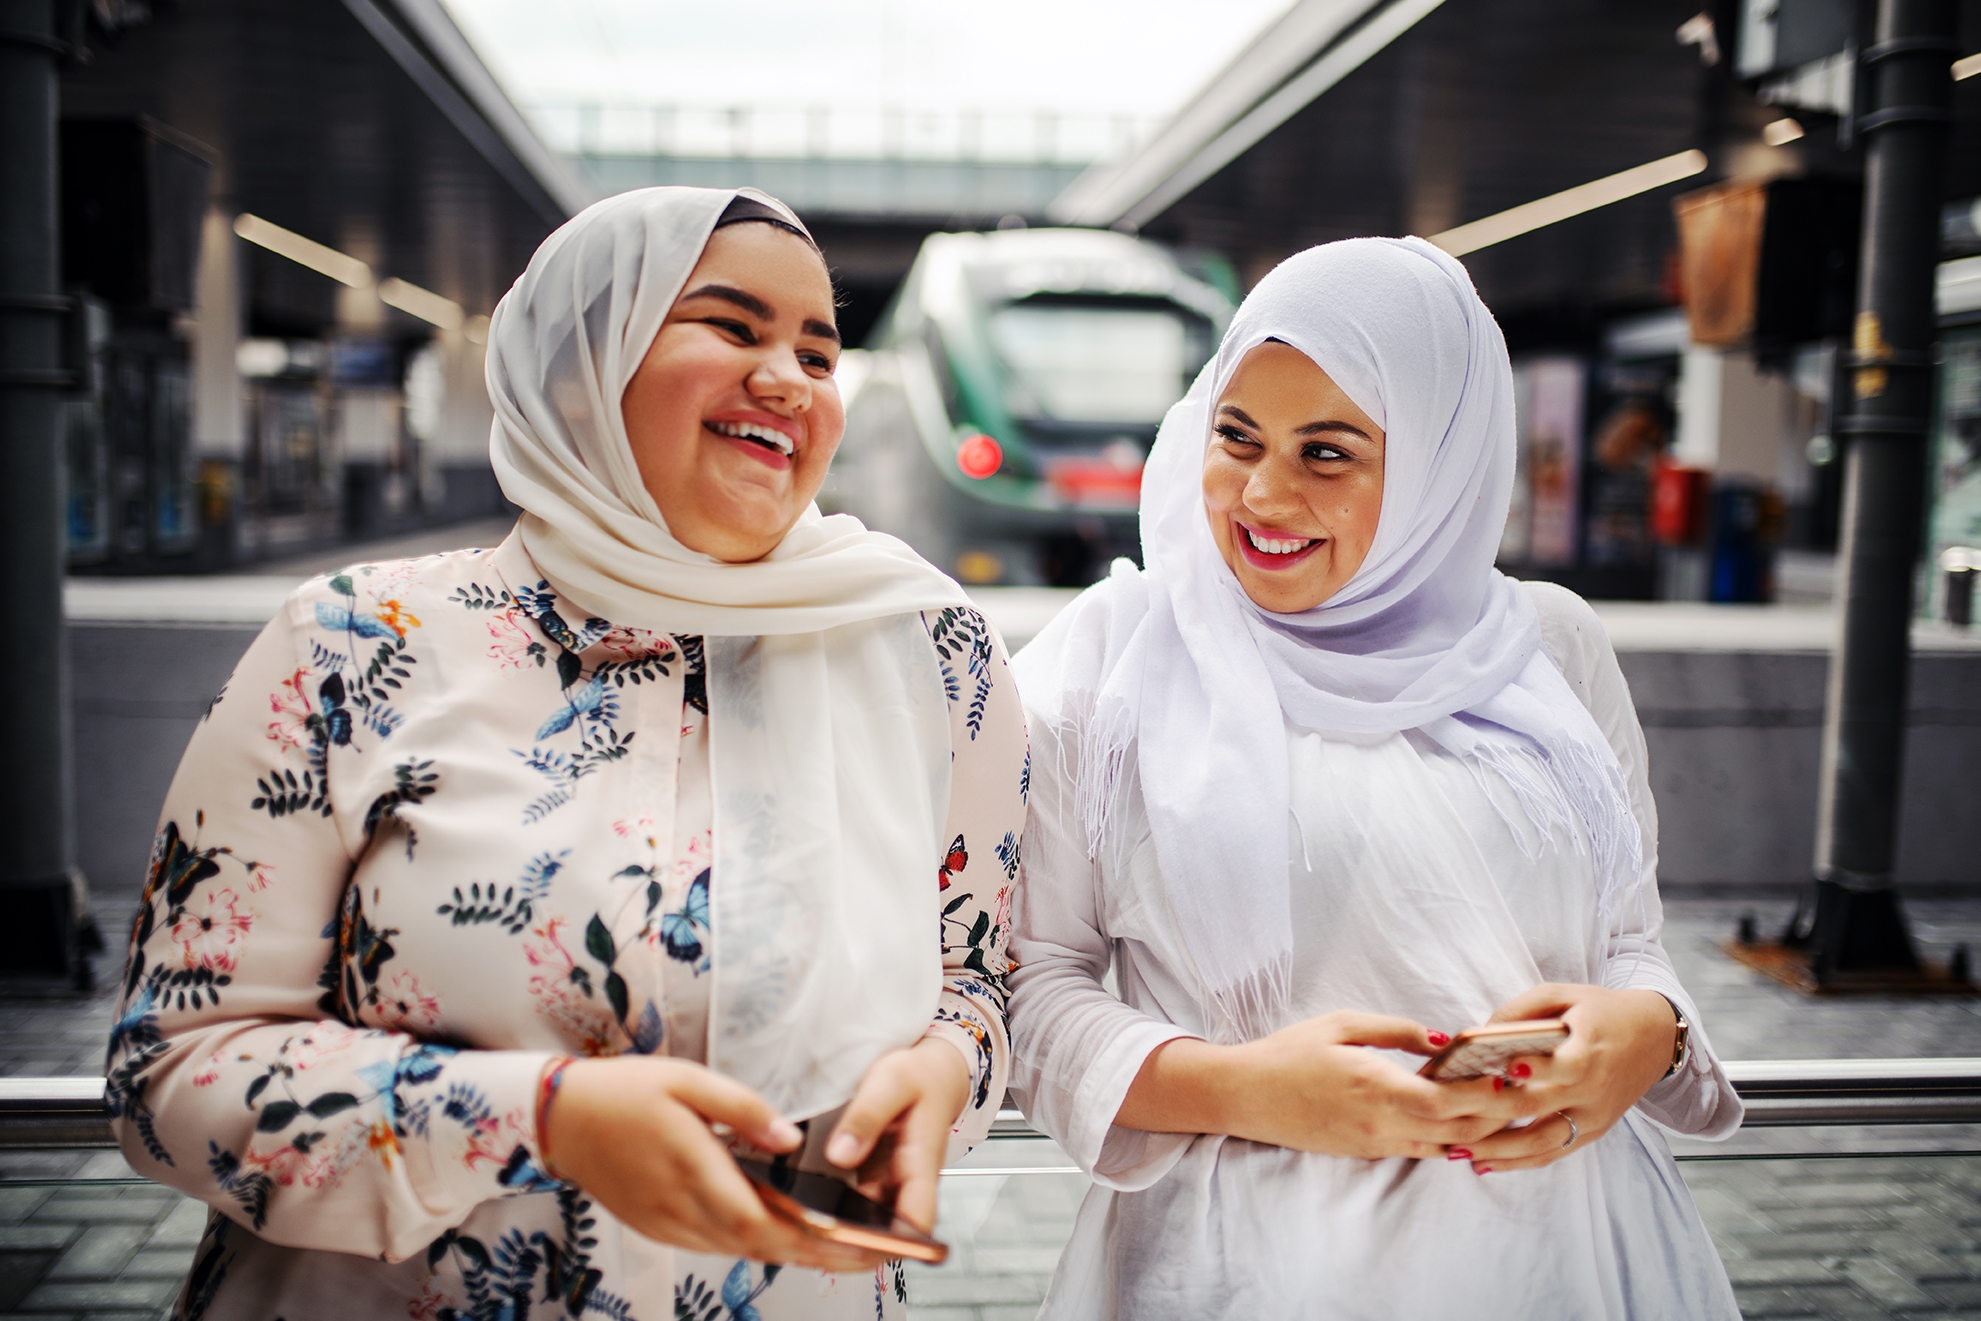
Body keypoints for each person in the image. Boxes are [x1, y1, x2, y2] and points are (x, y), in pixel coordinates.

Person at [106, 186, 1029, 1321]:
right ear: (578, 363)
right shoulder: (351, 643)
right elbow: (168, 1076)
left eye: (818, 350)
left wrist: (941, 1074)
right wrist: (540, 1118)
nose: (787, 378)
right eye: (732, 328)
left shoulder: (931, 654)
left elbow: (974, 983)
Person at [1006, 237, 1742, 1318]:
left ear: (1439, 469)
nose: (1262, 493)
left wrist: (1651, 1032)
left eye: (1329, 453)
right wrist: (1246, 1089)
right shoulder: (1116, 665)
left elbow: (1627, 940)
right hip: (1243, 1265)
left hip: (1568, 1256)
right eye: (1236, 436)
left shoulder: (1548, 649)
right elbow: (1030, 986)